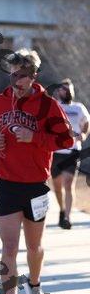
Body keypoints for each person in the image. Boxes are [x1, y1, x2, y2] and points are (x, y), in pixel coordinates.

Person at [0, 49, 74, 294]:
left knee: (34, 247)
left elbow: (66, 140)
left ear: (34, 75)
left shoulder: (48, 105)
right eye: (13, 74)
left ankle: (34, 284)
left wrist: (35, 137)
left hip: (36, 185)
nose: (17, 80)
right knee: (9, 247)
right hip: (7, 183)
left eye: (22, 75)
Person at [51, 78, 89, 229]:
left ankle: (67, 217)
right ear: (59, 91)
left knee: (68, 183)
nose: (66, 91)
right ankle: (61, 210)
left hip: (73, 150)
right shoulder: (55, 106)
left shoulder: (78, 108)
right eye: (63, 89)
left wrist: (84, 134)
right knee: (57, 186)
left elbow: (86, 122)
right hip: (56, 151)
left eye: (68, 89)